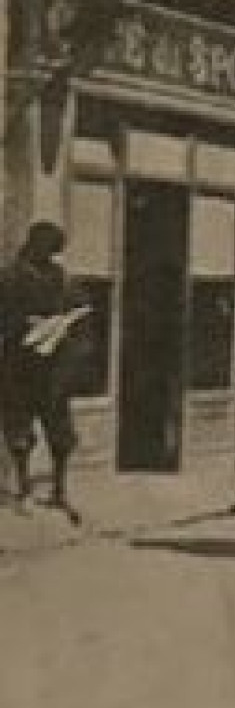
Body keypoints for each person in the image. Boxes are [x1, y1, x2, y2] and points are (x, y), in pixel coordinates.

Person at [0, 221, 89, 520]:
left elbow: (79, 309)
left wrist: (68, 327)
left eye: (55, 252)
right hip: (19, 365)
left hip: (54, 368)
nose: (51, 257)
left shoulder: (62, 278)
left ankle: (59, 490)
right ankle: (23, 488)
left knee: (60, 433)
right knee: (19, 428)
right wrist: (24, 326)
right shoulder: (9, 277)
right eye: (48, 250)